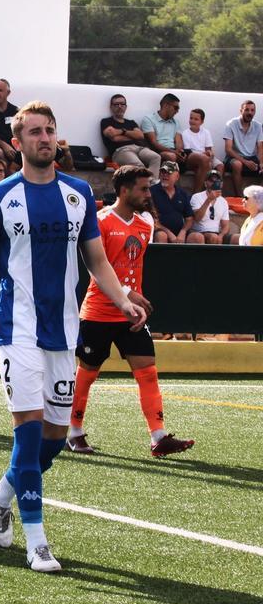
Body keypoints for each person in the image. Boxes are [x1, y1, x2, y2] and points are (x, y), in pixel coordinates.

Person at [0, 101, 147, 573]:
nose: (44, 137)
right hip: (16, 331)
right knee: (30, 431)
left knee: (54, 440)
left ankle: (1, 493)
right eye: (34, 131)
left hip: (64, 332)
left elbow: (97, 260)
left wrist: (122, 300)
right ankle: (37, 542)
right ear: (17, 143)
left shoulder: (78, 194)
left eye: (50, 130)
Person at [69, 165, 195, 458]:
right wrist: (127, 294)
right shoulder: (98, 221)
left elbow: (131, 267)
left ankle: (158, 437)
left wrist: (132, 299)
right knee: (87, 373)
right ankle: (73, 432)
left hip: (130, 315)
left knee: (148, 371)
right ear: (124, 190)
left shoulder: (144, 225)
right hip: (98, 312)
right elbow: (97, 268)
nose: (147, 194)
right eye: (141, 188)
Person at [144, 93, 210, 185]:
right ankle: (172, 191)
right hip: (159, 152)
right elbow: (153, 143)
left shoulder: (175, 122)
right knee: (171, 156)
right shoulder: (148, 119)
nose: (177, 111)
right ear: (166, 105)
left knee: (204, 159)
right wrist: (174, 152)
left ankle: (196, 196)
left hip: (174, 152)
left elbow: (178, 140)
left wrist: (179, 151)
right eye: (176, 108)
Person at [100, 94, 160, 181]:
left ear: (126, 107)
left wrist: (122, 132)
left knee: (156, 157)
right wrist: (132, 135)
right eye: (116, 104)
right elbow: (113, 137)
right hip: (120, 151)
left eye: (122, 104)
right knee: (139, 166)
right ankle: (147, 187)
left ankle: (152, 185)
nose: (120, 107)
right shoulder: (106, 121)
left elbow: (140, 136)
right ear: (111, 107)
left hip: (138, 148)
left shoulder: (131, 122)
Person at [149, 161, 195, 243]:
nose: (165, 175)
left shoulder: (182, 194)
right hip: (159, 231)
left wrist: (183, 231)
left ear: (177, 176)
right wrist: (168, 233)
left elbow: (189, 218)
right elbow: (152, 219)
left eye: (168, 172)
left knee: (197, 237)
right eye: (163, 172)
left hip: (179, 233)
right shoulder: (151, 192)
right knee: (161, 236)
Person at [224, 100, 262, 197]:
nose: (250, 113)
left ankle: (259, 199)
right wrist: (245, 162)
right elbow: (228, 149)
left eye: (252, 110)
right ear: (241, 111)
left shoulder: (258, 126)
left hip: (252, 157)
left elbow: (260, 147)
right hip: (234, 157)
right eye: (247, 110)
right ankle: (240, 197)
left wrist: (261, 162)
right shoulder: (231, 124)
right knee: (237, 165)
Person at [188, 171, 230, 245]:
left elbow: (226, 225)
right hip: (198, 231)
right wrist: (209, 200)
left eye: (217, 181)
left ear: (221, 184)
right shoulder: (196, 197)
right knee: (212, 237)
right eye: (211, 181)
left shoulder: (223, 201)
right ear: (205, 183)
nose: (214, 183)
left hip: (216, 233)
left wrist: (221, 235)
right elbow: (197, 218)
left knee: (235, 238)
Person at [176, 108, 217, 177]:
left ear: (202, 122)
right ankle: (202, 187)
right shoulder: (185, 133)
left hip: (205, 155)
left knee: (220, 166)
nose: (192, 121)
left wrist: (210, 153)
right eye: (191, 118)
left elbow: (208, 149)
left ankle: (216, 187)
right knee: (206, 164)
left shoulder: (206, 132)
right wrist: (204, 155)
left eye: (196, 119)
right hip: (193, 156)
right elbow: (188, 151)